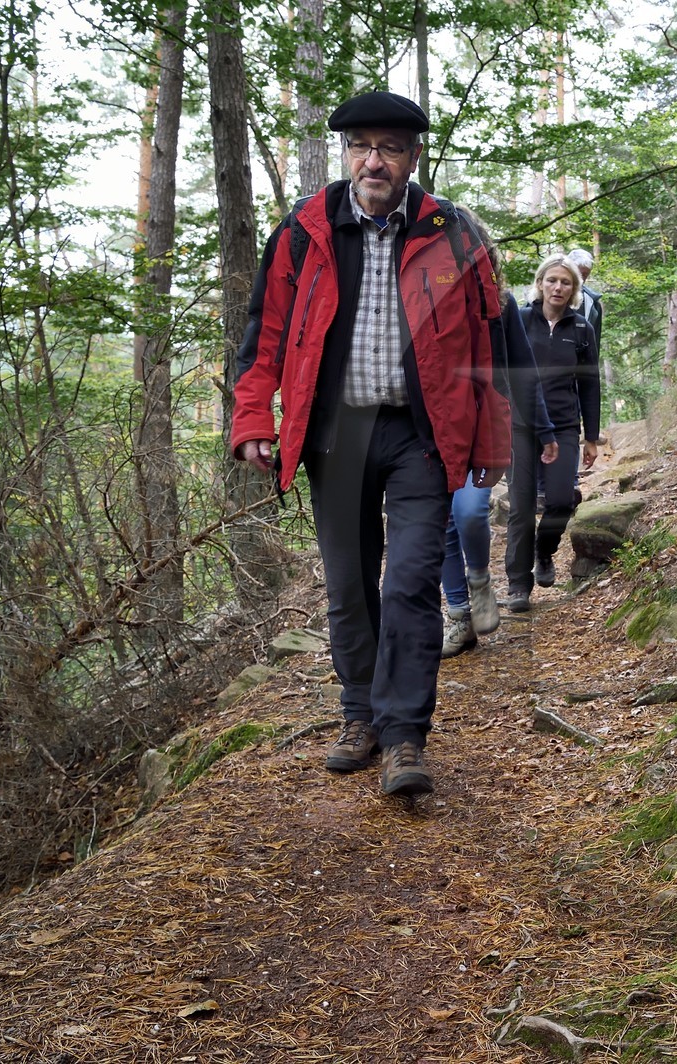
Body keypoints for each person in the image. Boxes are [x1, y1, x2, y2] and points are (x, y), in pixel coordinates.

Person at [228, 90, 509, 800]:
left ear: (414, 156)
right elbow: (262, 336)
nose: (373, 160)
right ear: (346, 154)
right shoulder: (305, 231)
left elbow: (492, 346)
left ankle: (405, 731)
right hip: (337, 431)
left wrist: (494, 437)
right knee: (350, 587)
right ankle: (360, 717)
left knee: (411, 581)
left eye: (389, 147)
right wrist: (253, 419)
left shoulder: (455, 235)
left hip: (421, 433)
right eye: (361, 146)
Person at [440, 211, 559, 656]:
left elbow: (523, 370)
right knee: (440, 518)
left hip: (486, 422)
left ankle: (478, 580)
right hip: (434, 423)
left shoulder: (501, 304)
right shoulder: (417, 296)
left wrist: (545, 429)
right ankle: (457, 614)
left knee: (469, 512)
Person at [504, 253, 600, 612]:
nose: (558, 287)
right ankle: (517, 584)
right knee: (522, 504)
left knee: (560, 500)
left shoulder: (580, 329)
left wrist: (591, 436)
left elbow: (590, 386)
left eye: (566, 282)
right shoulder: (520, 319)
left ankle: (544, 551)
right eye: (552, 280)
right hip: (520, 426)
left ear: (574, 289)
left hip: (562, 424)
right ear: (541, 283)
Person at [566, 247, 602, 342]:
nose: (581, 280)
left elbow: (594, 342)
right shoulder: (547, 297)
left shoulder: (592, 304)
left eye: (585, 275)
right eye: (578, 274)